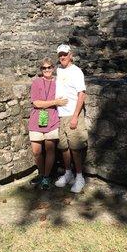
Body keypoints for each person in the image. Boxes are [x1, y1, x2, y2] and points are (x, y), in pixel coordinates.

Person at [28, 57, 68, 190]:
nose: (47, 70)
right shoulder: (36, 83)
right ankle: (41, 173)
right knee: (36, 151)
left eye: (49, 67)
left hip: (52, 119)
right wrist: (54, 102)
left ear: (53, 68)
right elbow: (36, 103)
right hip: (37, 120)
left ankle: (46, 176)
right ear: (41, 70)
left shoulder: (58, 83)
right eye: (44, 68)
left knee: (50, 150)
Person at [54, 44, 88, 193]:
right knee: (64, 147)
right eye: (60, 55)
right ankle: (68, 173)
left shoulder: (76, 71)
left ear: (70, 55)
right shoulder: (59, 70)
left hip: (72, 114)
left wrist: (75, 116)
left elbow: (82, 94)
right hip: (60, 114)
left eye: (65, 54)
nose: (62, 57)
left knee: (75, 148)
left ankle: (80, 177)